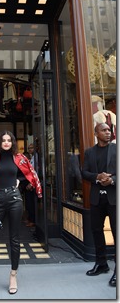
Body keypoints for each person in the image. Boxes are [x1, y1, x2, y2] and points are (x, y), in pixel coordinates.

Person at [0, 131, 42, 295]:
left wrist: (20, 181)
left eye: (9, 140)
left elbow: (29, 174)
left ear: (12, 142)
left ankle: (13, 275)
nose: (6, 142)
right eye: (3, 140)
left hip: (15, 201)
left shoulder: (19, 158)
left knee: (14, 240)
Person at [81, 123, 116, 287]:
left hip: (114, 198)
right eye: (104, 130)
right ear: (96, 133)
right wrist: (98, 176)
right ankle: (102, 264)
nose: (108, 132)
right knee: (96, 231)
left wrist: (112, 180)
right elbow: (84, 172)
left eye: (109, 130)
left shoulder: (116, 149)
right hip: (96, 199)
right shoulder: (90, 152)